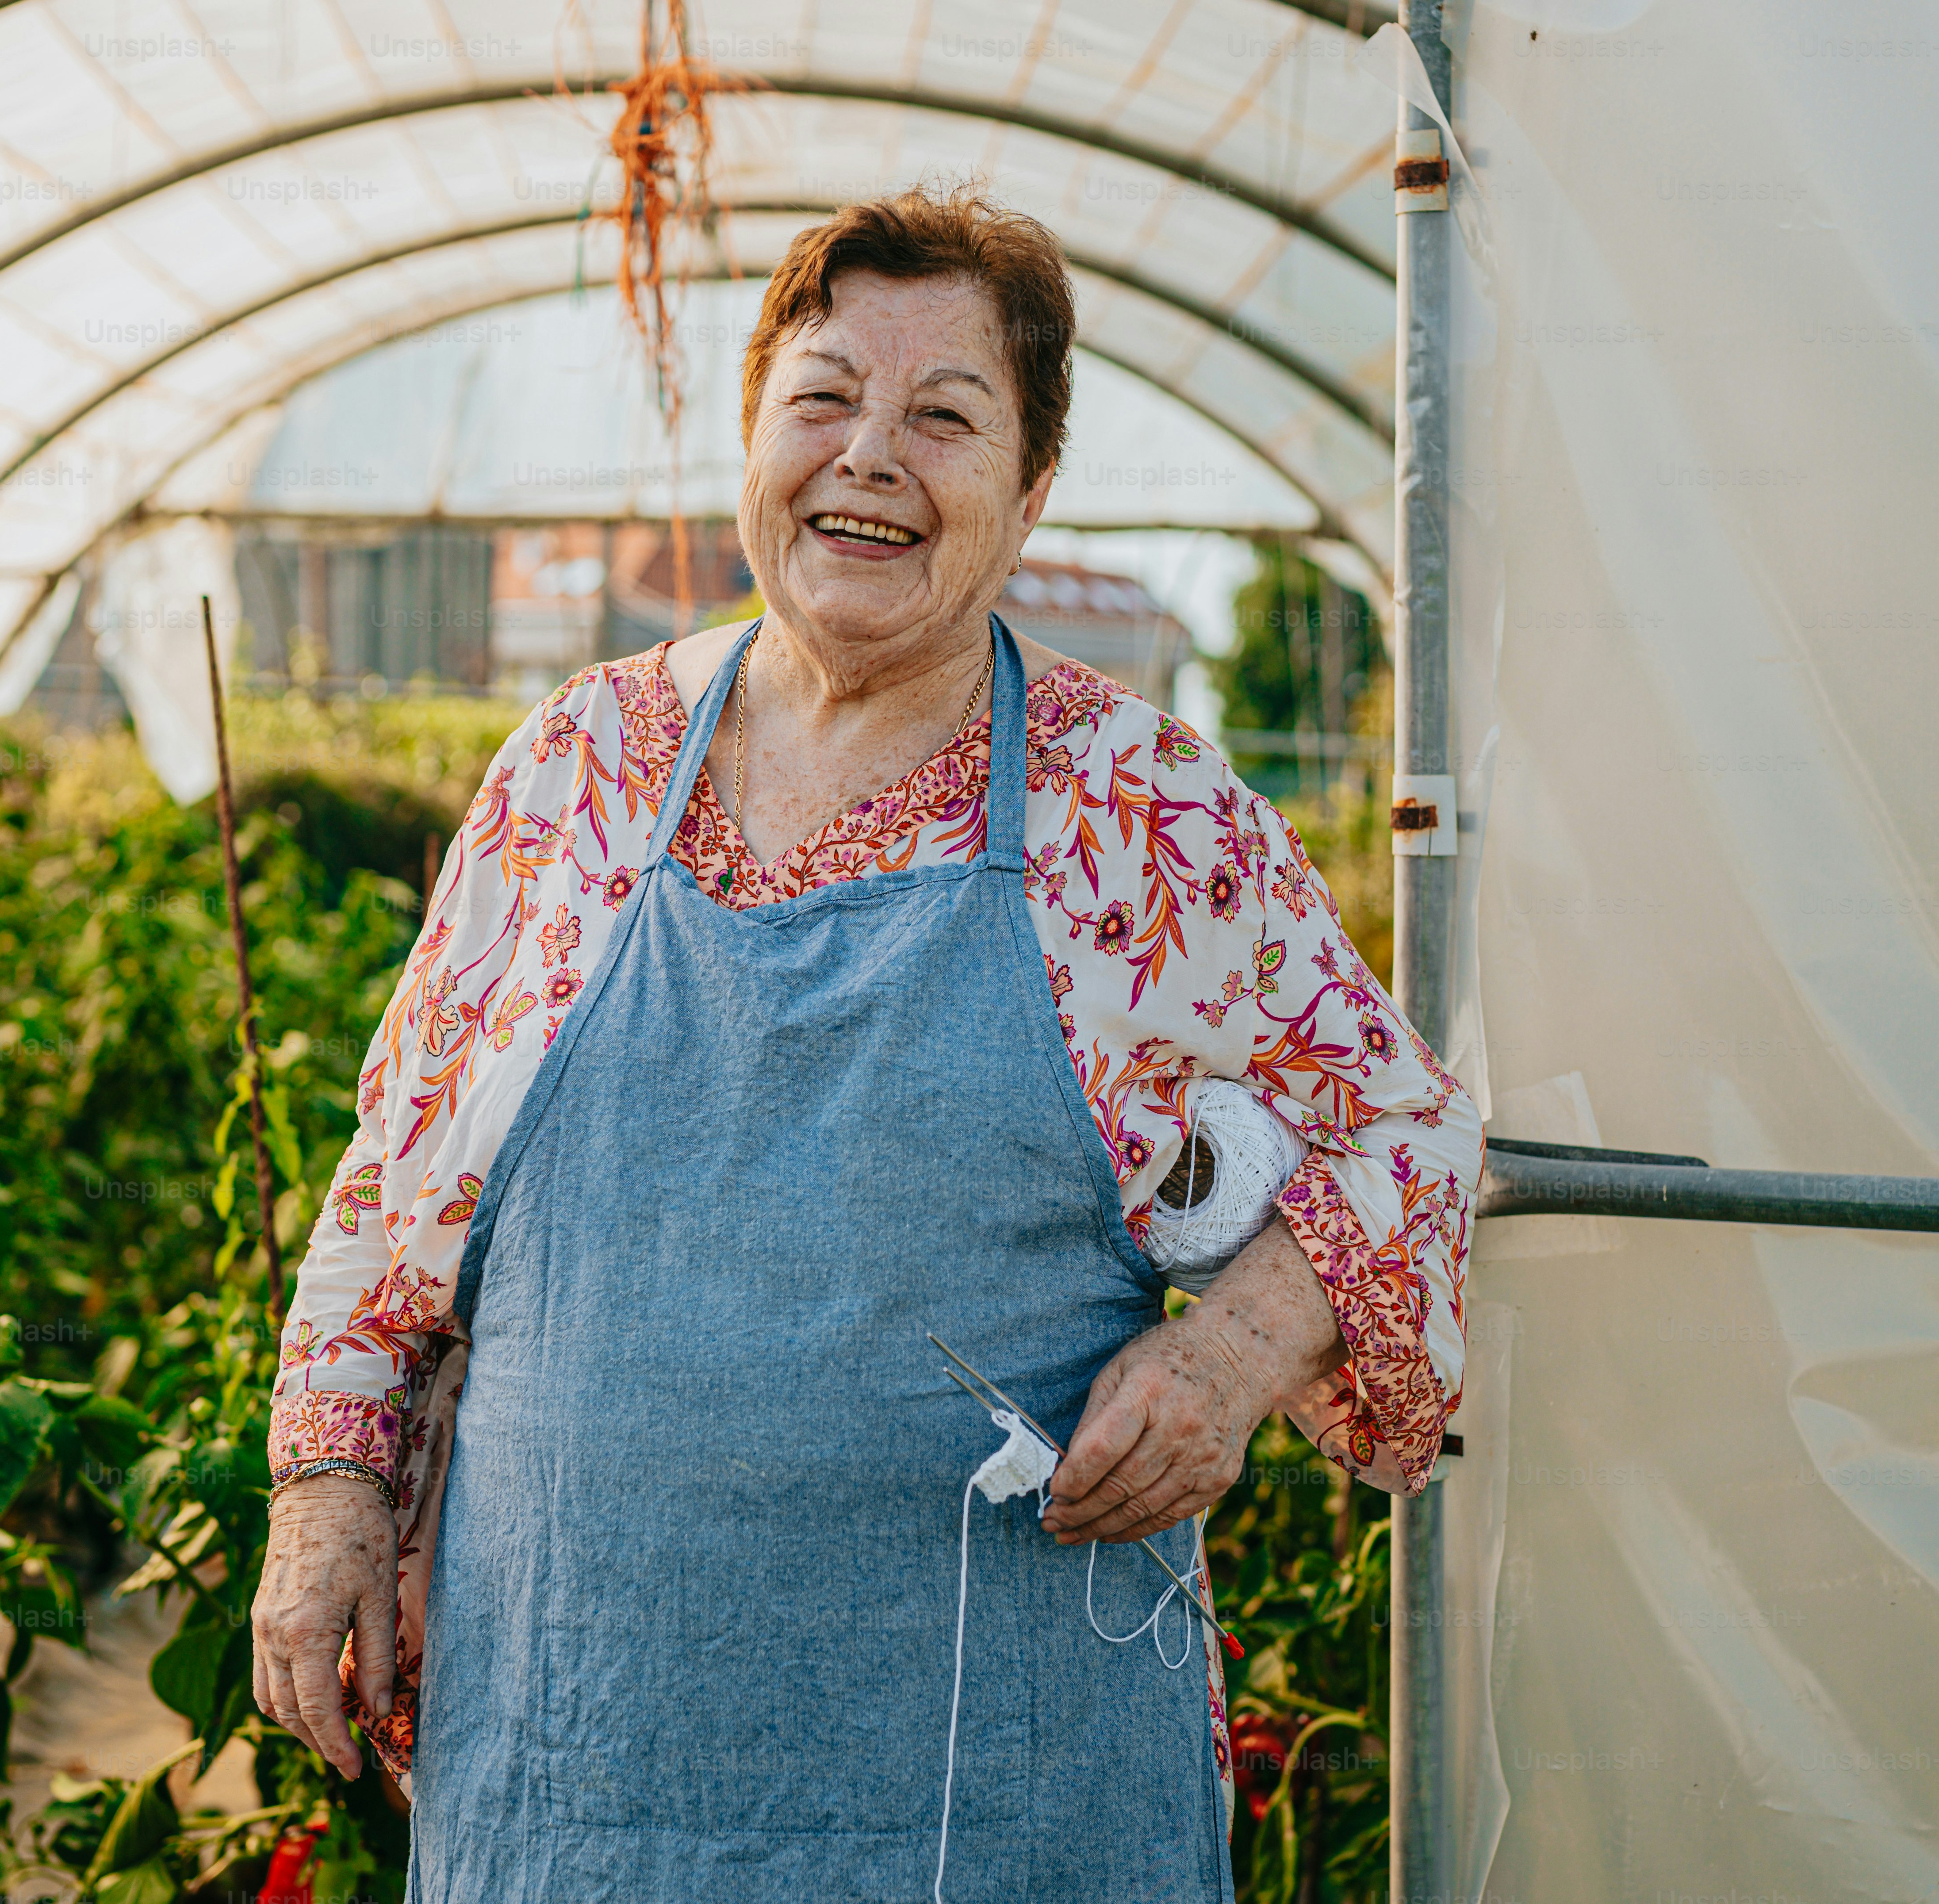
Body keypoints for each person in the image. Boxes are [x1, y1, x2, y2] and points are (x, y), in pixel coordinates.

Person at [249, 183, 1481, 1902]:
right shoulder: (575, 773)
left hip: (992, 1782)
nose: (869, 457)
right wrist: (329, 1498)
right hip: (580, 1762)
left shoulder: (1138, 813)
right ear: (753, 438)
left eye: (945, 417)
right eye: (822, 400)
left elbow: (1401, 1143)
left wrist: (1227, 1362)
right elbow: (392, 1185)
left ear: (1032, 489)